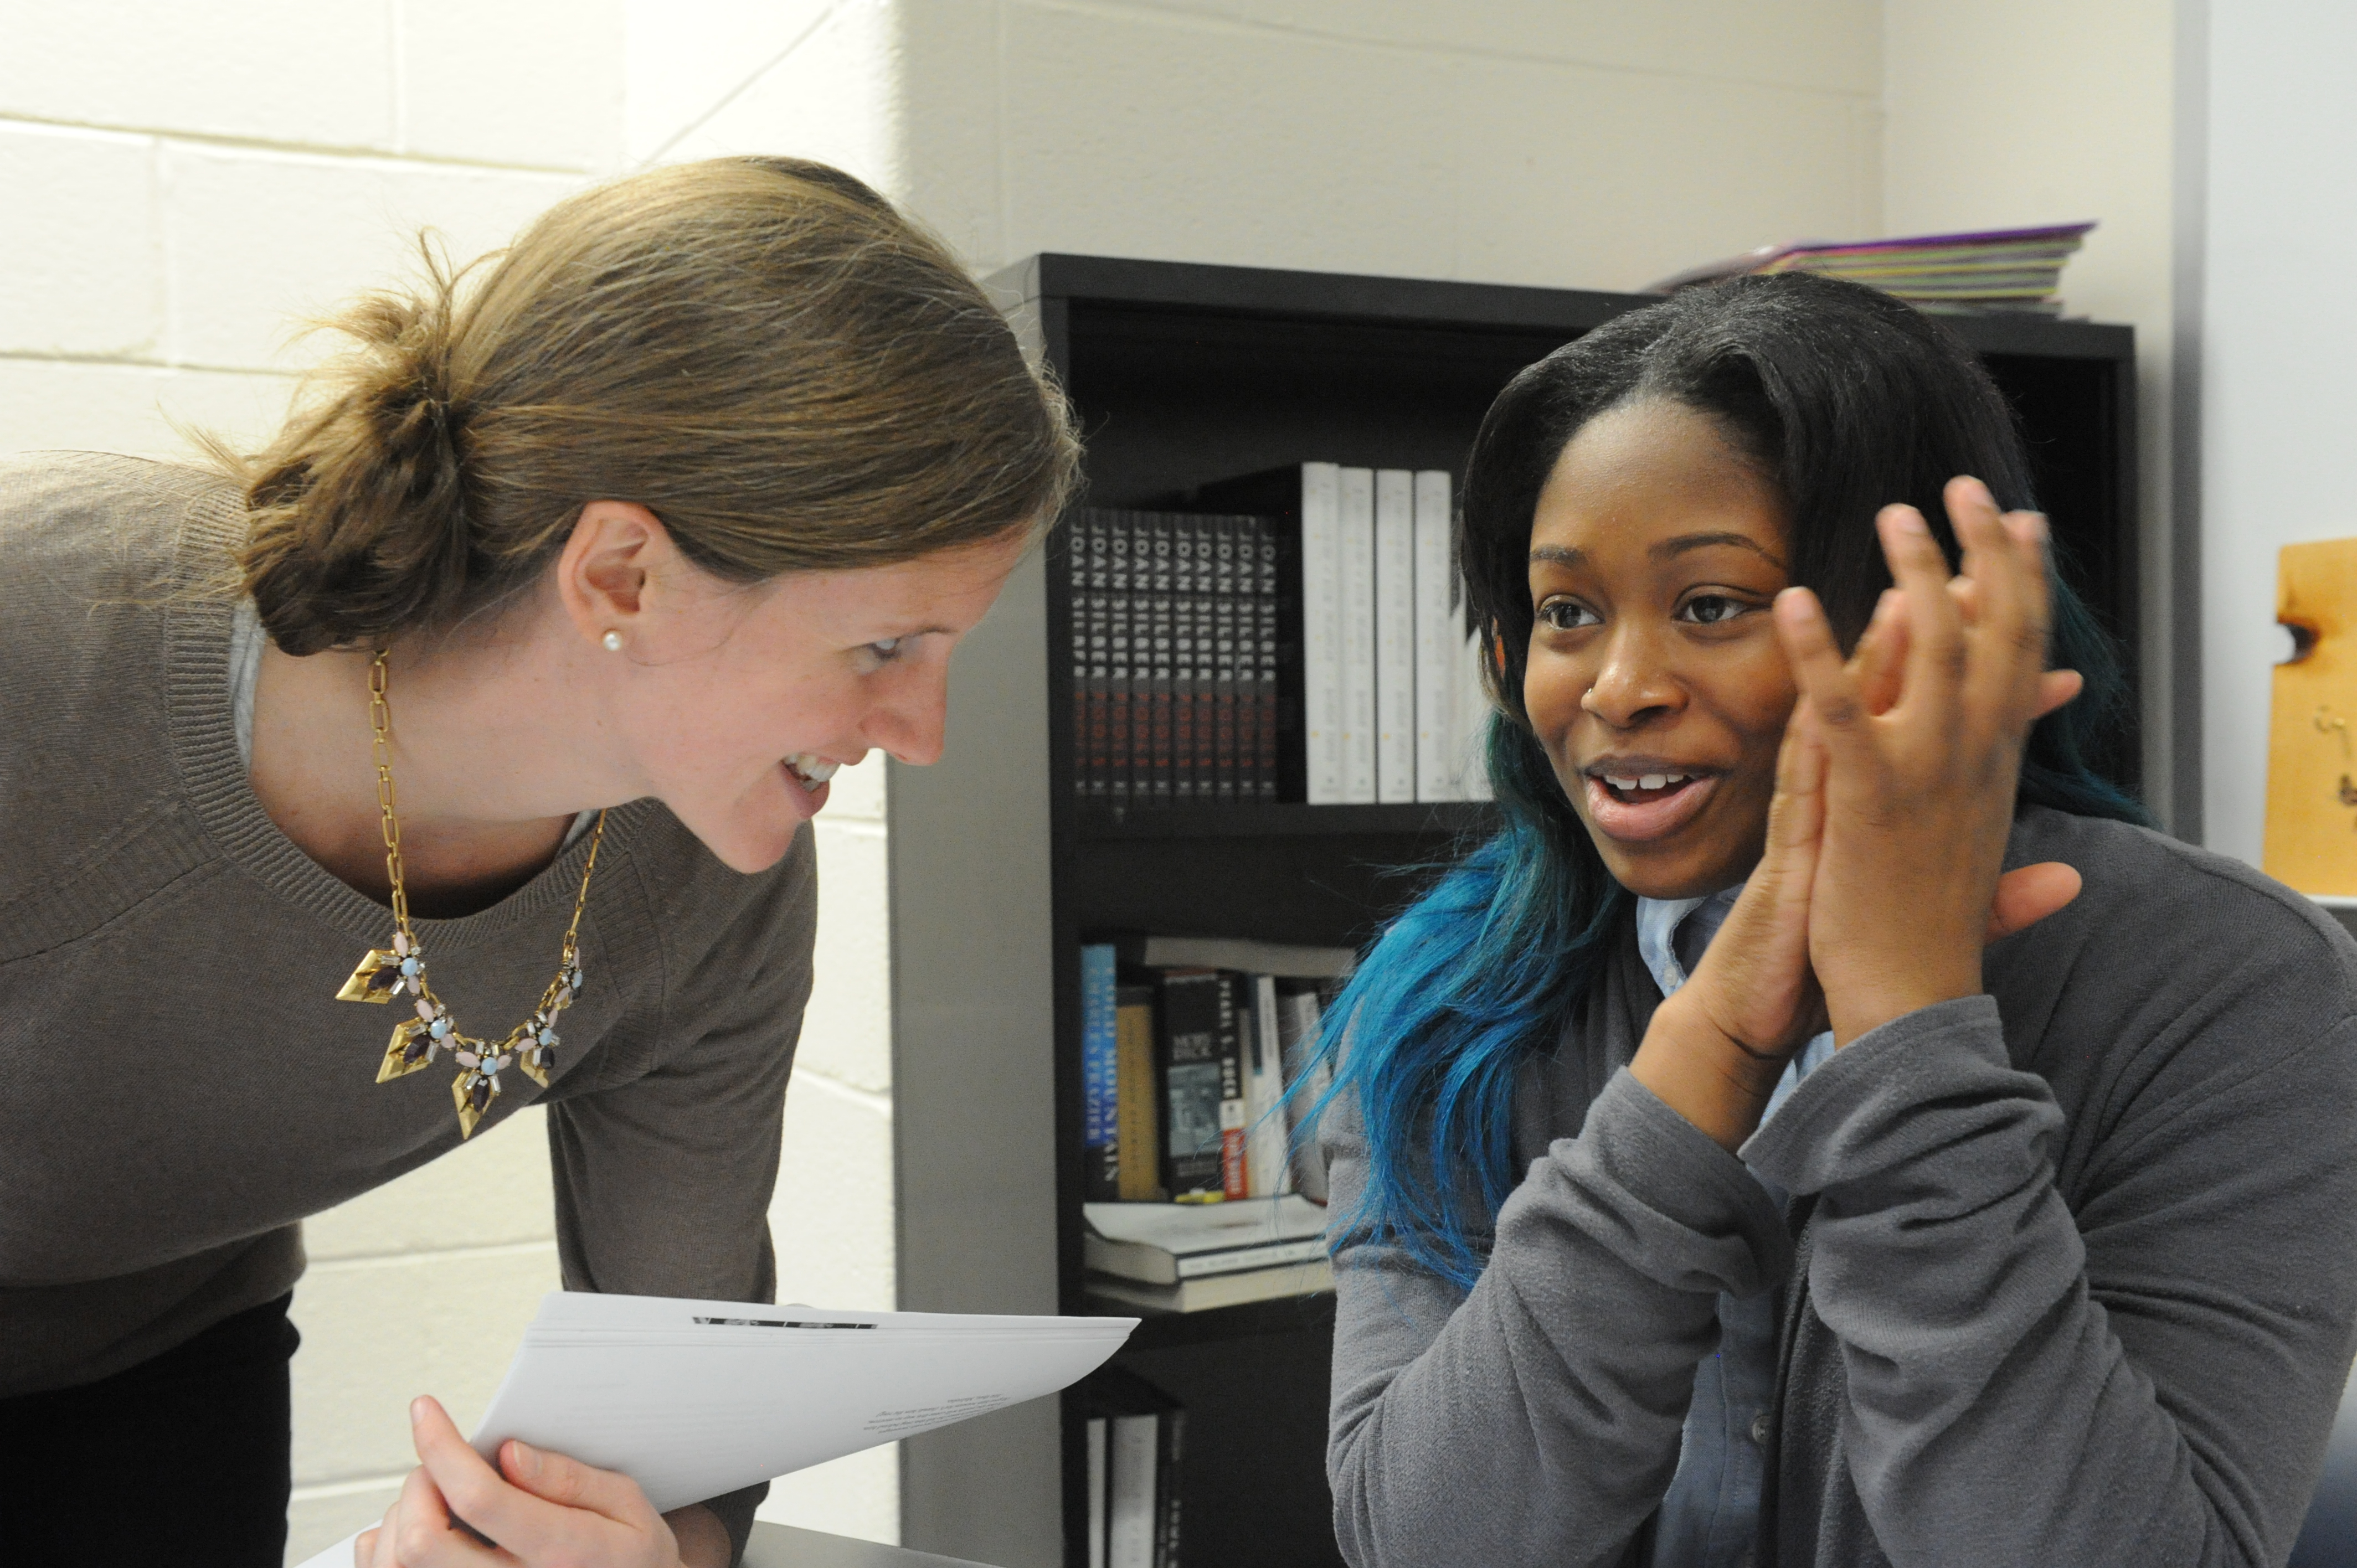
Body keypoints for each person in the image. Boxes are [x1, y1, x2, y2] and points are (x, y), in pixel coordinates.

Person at [0, 156, 1075, 1567]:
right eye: (884, 645)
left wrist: (624, 1553)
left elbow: (682, 1429)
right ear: (622, 574)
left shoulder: (714, 885)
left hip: (159, 1355)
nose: (920, 736)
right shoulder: (45, 630)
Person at [1310, 273, 2357, 1567]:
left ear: (1929, 626)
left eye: (1711, 606)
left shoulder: (2229, 984)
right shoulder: (1446, 994)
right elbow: (1424, 1545)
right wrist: (1709, 1052)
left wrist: (1909, 1029)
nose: (1620, 687)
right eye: (1566, 613)